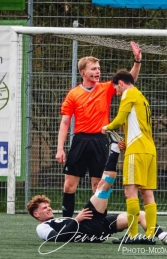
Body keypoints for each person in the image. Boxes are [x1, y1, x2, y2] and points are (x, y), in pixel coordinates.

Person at [29, 137, 167, 244]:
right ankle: (114, 149)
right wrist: (77, 220)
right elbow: (57, 239)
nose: (48, 208)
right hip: (89, 226)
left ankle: (164, 236)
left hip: (100, 227)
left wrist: (75, 220)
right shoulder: (42, 227)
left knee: (140, 214)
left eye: (48, 205)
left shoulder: (60, 220)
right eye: (44, 208)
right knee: (103, 187)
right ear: (36, 214)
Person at [55, 41, 143, 218]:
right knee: (69, 185)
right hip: (80, 141)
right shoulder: (73, 94)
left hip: (100, 141)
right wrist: (59, 148)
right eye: (93, 68)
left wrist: (137, 61)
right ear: (83, 73)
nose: (98, 71)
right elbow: (65, 122)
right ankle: (67, 224)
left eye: (98, 68)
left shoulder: (105, 88)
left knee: (98, 186)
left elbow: (129, 80)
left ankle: (97, 225)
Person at [102, 69, 158, 244]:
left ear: (120, 83)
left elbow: (119, 119)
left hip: (137, 151)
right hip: (149, 150)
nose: (117, 94)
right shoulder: (141, 97)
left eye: (116, 89)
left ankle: (132, 235)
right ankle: (149, 235)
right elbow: (138, 125)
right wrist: (126, 141)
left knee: (130, 192)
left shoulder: (128, 94)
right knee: (147, 193)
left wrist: (106, 127)